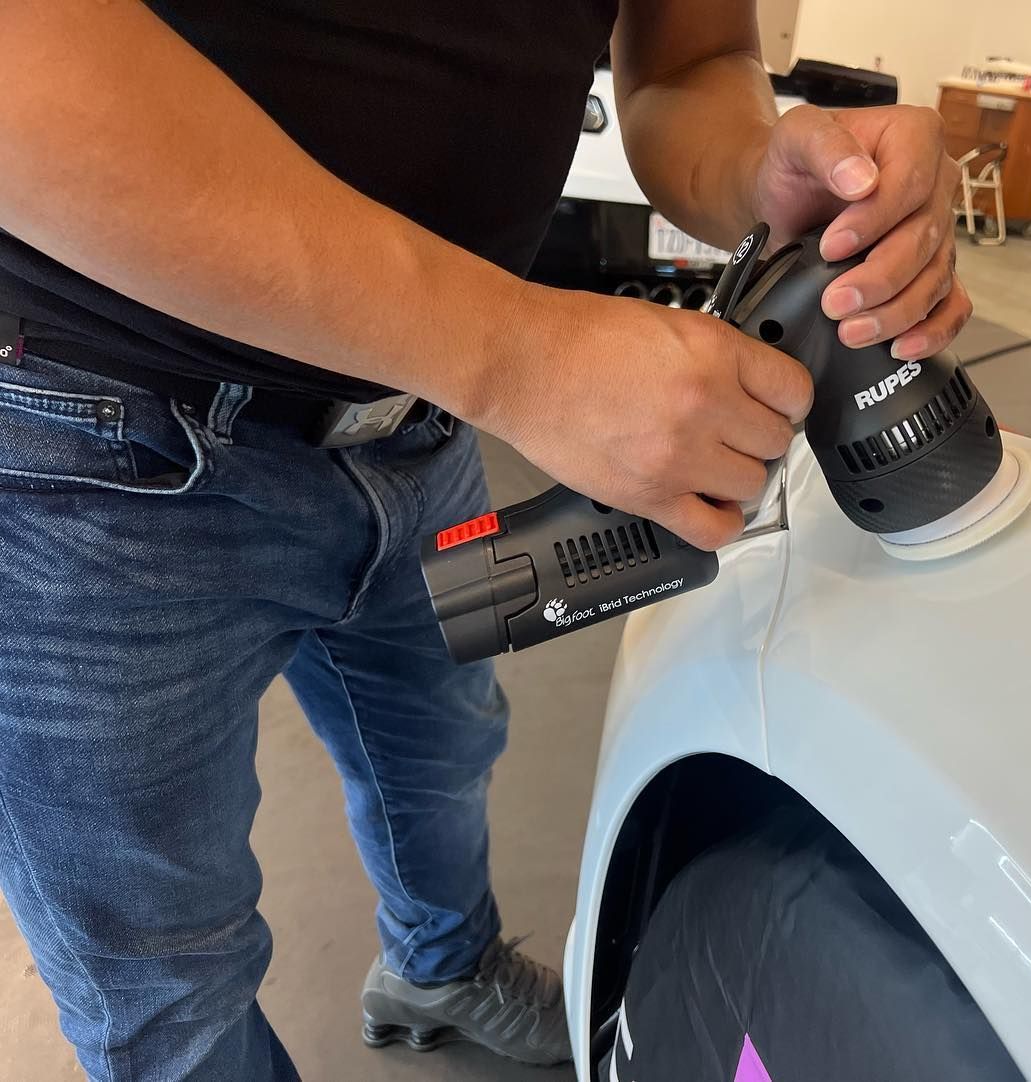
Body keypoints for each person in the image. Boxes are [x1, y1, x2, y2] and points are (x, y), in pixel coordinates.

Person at [0, 2, 973, 1078]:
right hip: (88, 437)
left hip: (418, 415)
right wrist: (514, 353)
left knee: (440, 749)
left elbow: (691, 60)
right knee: (158, 975)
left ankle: (440, 969)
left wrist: (761, 165)